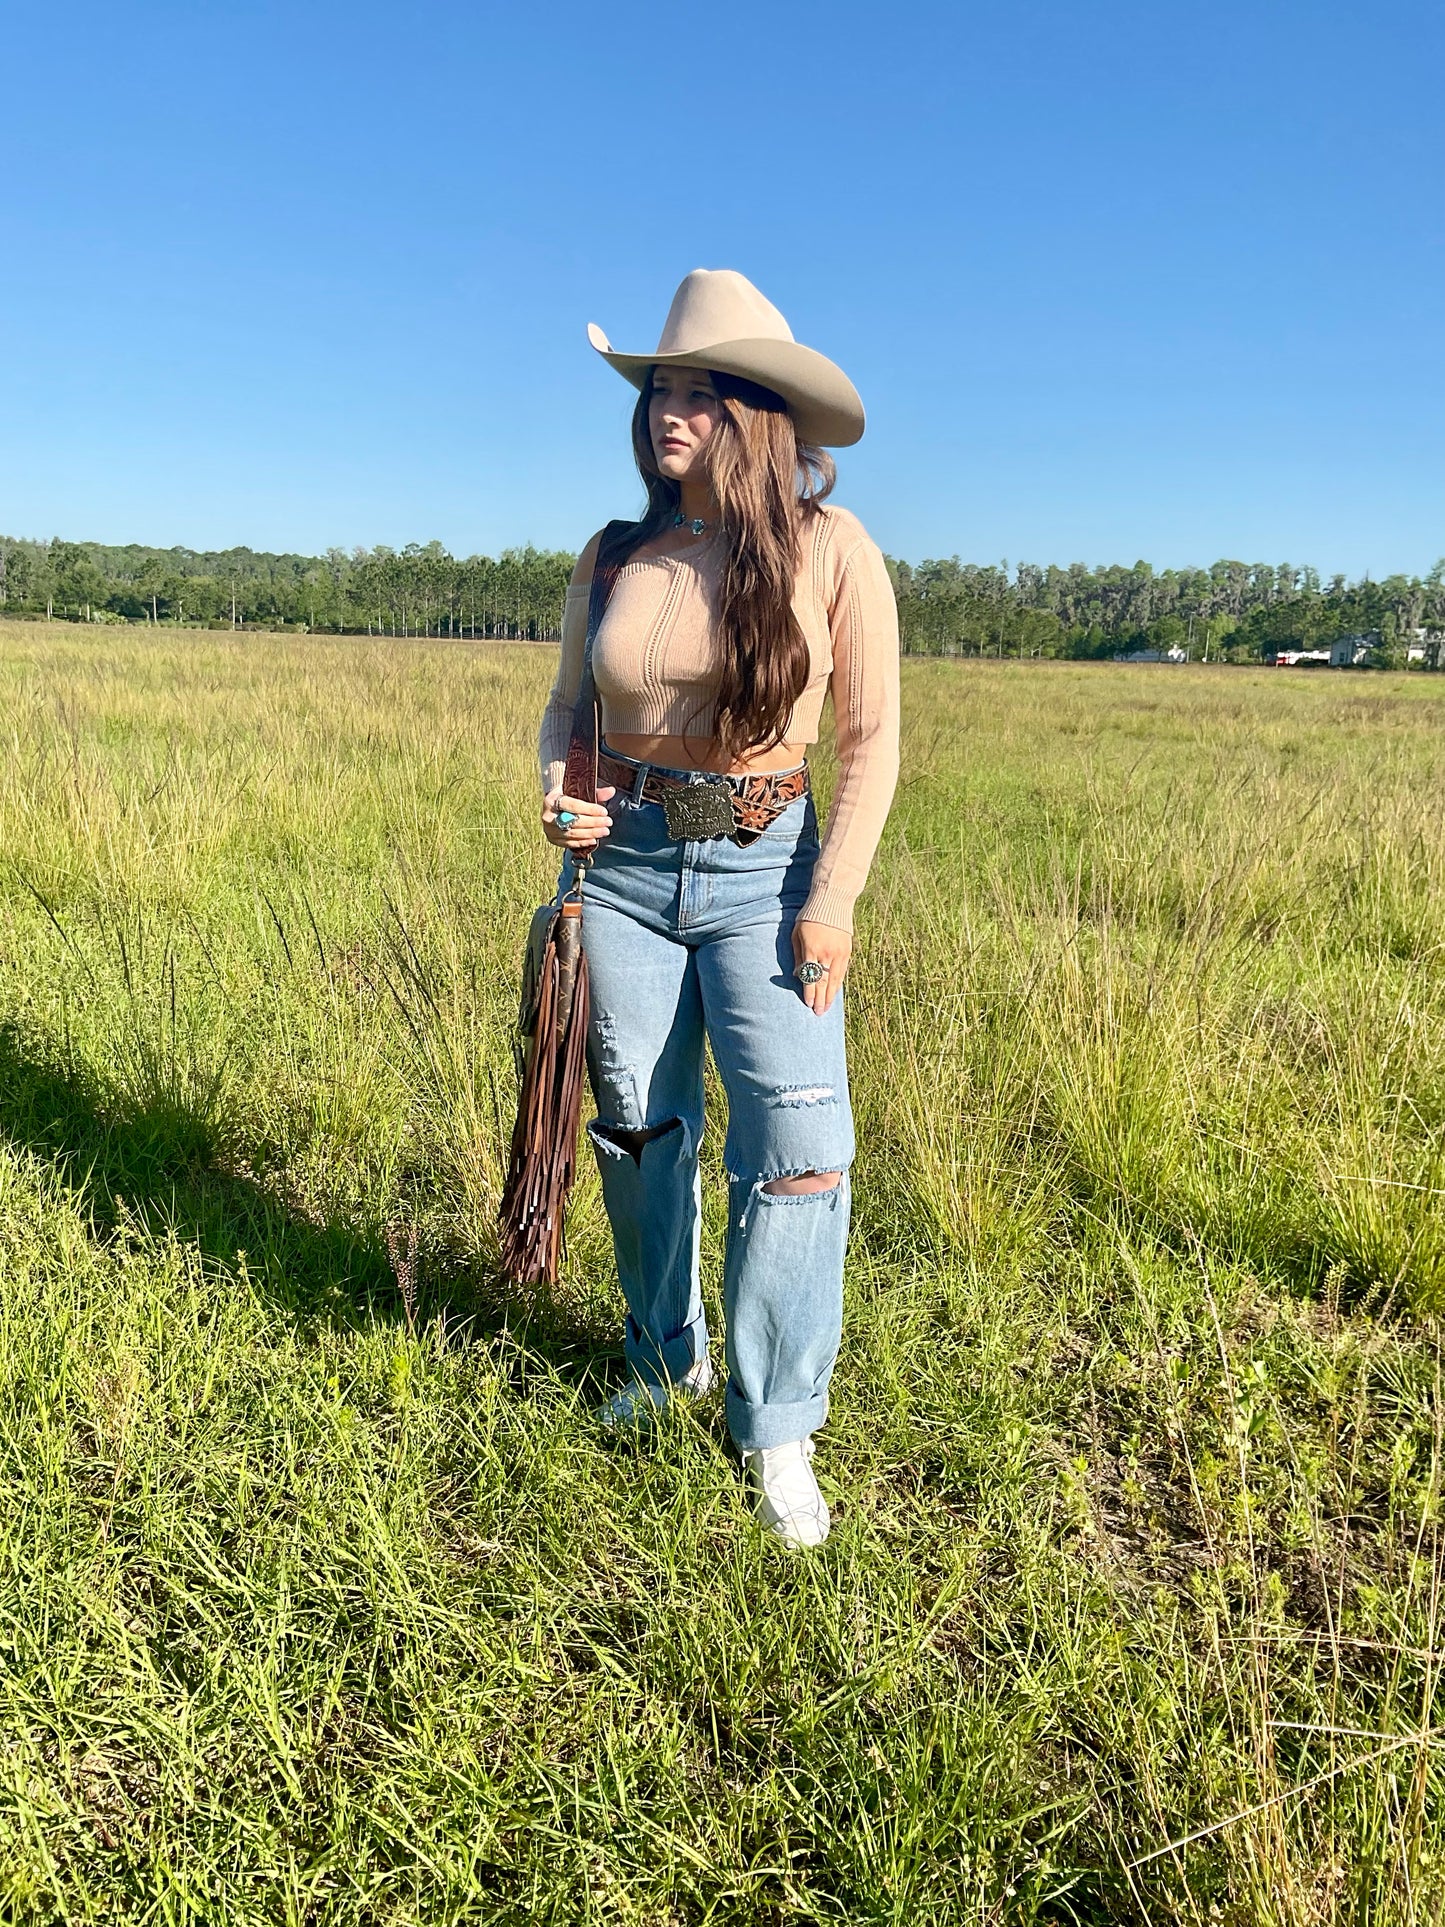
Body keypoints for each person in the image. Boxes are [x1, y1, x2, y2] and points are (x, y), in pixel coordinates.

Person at [539, 269, 899, 1546]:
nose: (665, 411)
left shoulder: (831, 551)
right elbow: (569, 713)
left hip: (768, 873)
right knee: (637, 1124)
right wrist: (559, 793)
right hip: (624, 865)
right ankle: (660, 1352)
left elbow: (871, 742)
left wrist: (832, 899)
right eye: (656, 390)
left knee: (797, 1148)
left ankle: (778, 1419)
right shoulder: (615, 552)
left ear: (755, 412)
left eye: (696, 390)